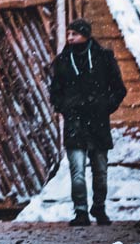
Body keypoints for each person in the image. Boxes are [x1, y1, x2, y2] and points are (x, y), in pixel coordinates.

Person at [48, 18, 126, 227]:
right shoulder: (63, 61)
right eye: (69, 34)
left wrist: (104, 107)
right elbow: (54, 92)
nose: (70, 38)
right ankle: (81, 211)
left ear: (85, 34)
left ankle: (99, 208)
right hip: (74, 123)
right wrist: (65, 107)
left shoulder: (103, 58)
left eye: (74, 34)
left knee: (100, 172)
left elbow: (119, 89)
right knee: (78, 172)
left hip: (98, 123)